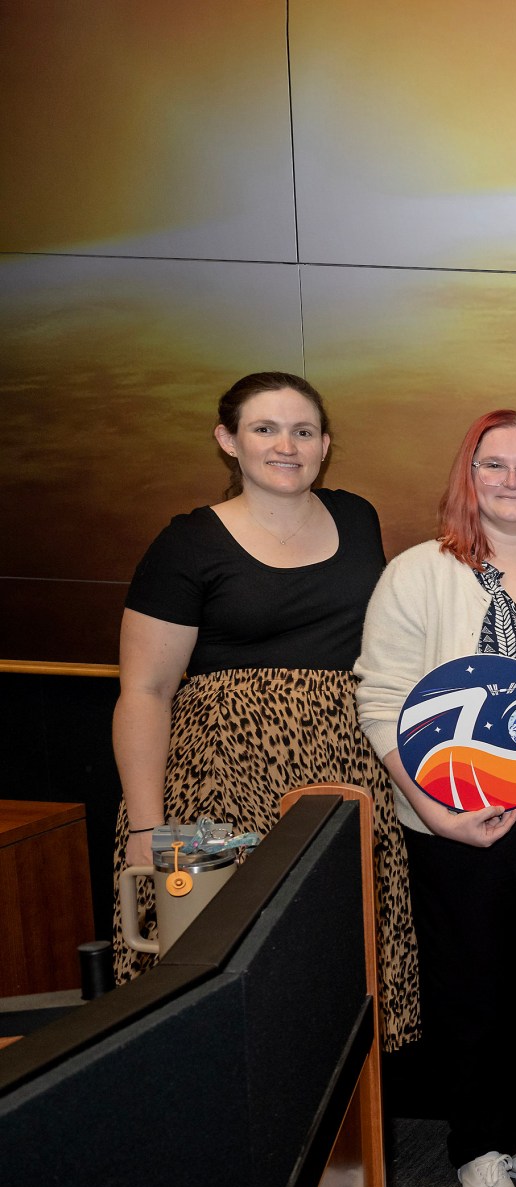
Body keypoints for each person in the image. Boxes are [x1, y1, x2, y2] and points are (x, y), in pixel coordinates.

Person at [356, 410, 516, 1187]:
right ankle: (476, 1145)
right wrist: (433, 809)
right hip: (460, 821)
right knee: (472, 988)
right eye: (493, 465)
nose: (512, 481)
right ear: (469, 477)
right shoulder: (419, 573)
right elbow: (381, 699)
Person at [112, 371, 419, 1044]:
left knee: (339, 966)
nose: (287, 445)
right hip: (219, 787)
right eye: (265, 428)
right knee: (223, 974)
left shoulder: (357, 517)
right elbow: (145, 690)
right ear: (228, 441)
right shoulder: (188, 542)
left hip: (345, 780)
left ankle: (338, 1145)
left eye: (303, 431)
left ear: (325, 444)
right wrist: (147, 830)